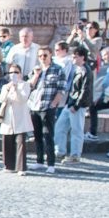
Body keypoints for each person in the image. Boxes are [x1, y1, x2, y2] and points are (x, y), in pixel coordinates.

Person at [27, 46, 66, 174]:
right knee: (37, 135)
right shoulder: (36, 70)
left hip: (47, 106)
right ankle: (39, 161)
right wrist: (36, 75)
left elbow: (61, 89)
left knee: (48, 135)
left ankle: (51, 163)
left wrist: (53, 104)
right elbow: (29, 86)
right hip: (34, 106)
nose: (42, 58)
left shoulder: (58, 69)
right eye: (40, 56)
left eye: (45, 55)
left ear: (50, 55)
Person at [56, 46, 93, 164]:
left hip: (77, 105)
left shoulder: (85, 70)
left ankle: (75, 155)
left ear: (82, 57)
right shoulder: (78, 69)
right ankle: (60, 151)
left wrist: (77, 105)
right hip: (71, 102)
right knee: (60, 127)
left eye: (75, 57)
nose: (73, 59)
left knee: (76, 130)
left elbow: (85, 90)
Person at [0, 63, 33, 175]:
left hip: (20, 117)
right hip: (8, 118)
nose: (13, 74)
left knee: (20, 142)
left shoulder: (25, 85)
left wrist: (16, 88)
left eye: (16, 72)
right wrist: (8, 90)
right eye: (11, 72)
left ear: (20, 74)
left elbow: (23, 99)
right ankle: (9, 165)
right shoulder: (6, 86)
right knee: (7, 141)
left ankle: (21, 167)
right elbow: (1, 99)